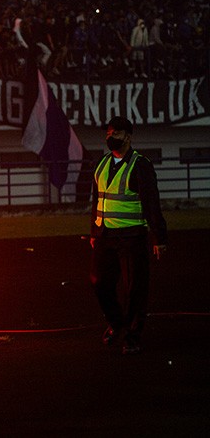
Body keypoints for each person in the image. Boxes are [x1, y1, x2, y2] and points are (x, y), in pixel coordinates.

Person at [89, 116, 167, 355]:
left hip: (132, 237)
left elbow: (152, 203)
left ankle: (133, 336)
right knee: (99, 283)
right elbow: (97, 200)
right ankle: (116, 322)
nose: (110, 137)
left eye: (116, 133)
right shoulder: (102, 163)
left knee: (135, 288)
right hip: (105, 237)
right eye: (109, 133)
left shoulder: (140, 165)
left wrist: (159, 238)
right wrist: (94, 232)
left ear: (128, 137)